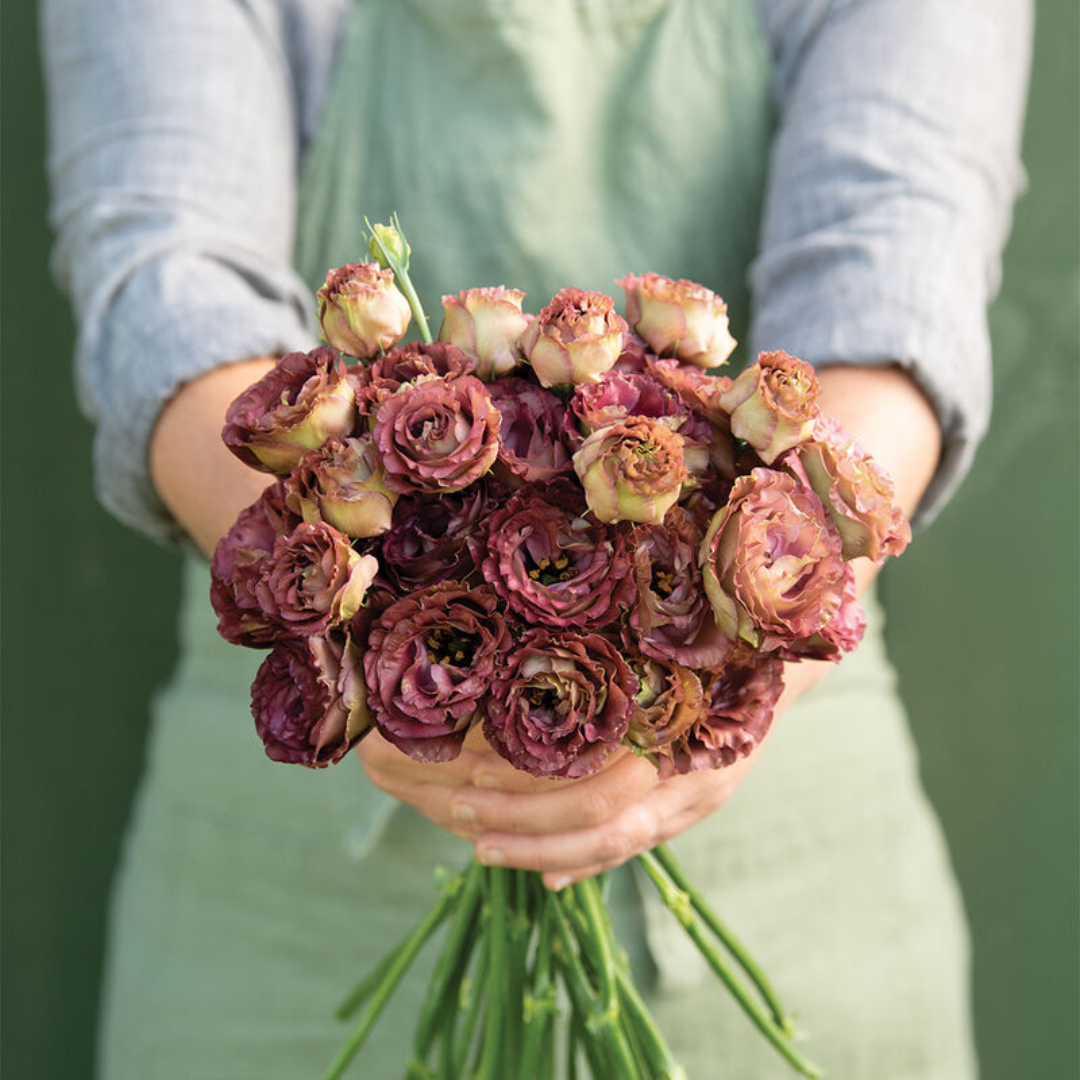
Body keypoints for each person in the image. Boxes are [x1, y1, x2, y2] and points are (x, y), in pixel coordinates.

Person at [41, 0, 1032, 1076]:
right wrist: (366, 641)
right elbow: (167, 285)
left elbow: (896, 286)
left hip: (793, 867)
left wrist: (726, 672)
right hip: (284, 901)